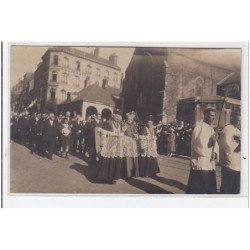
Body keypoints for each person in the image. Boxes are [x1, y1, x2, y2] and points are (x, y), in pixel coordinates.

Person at [186, 107, 218, 194]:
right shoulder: (199, 127)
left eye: (214, 116)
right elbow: (197, 145)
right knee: (200, 188)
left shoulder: (211, 128)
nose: (213, 118)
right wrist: (211, 143)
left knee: (209, 187)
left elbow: (216, 145)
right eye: (211, 115)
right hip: (201, 161)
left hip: (210, 162)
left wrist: (215, 153)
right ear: (205, 115)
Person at [97, 109, 124, 184]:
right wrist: (102, 145)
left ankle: (111, 178)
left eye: (119, 116)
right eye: (116, 116)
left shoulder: (120, 125)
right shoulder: (108, 123)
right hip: (109, 144)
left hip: (117, 145)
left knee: (115, 160)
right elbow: (103, 134)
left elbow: (121, 135)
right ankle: (104, 176)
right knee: (107, 160)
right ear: (113, 116)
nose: (118, 118)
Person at [219, 109, 241, 194]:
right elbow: (228, 147)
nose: (239, 122)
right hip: (229, 165)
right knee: (227, 189)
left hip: (238, 165)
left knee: (236, 189)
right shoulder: (227, 129)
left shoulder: (238, 130)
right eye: (238, 120)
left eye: (240, 120)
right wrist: (241, 144)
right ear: (232, 118)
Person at [122, 111, 140, 179]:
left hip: (132, 142)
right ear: (127, 119)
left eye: (131, 119)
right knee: (127, 156)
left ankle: (132, 172)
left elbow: (136, 132)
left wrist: (136, 135)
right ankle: (127, 174)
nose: (130, 120)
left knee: (133, 156)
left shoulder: (134, 125)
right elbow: (123, 132)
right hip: (126, 141)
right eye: (129, 119)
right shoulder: (124, 124)